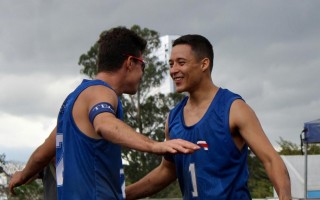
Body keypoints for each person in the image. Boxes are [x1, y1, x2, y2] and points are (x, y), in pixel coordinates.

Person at [8, 27, 200, 200]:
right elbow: (105, 124)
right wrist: (156, 145)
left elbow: (42, 155)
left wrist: (22, 175)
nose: (142, 73)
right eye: (143, 65)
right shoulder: (102, 92)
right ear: (130, 62)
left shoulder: (73, 102)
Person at [125, 34, 292, 200]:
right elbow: (168, 170)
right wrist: (122, 194)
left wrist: (285, 196)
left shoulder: (234, 108)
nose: (173, 70)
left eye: (181, 63)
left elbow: (271, 159)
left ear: (204, 64)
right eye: (171, 64)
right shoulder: (173, 118)